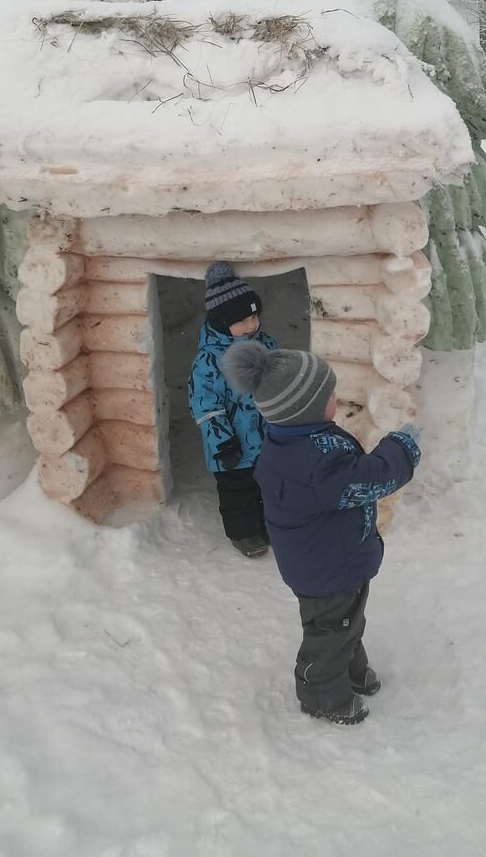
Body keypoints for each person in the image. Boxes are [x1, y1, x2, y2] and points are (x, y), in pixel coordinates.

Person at [222, 340, 420, 726]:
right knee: (331, 631)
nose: (336, 396)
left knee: (346, 621)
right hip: (328, 569)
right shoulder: (314, 463)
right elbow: (368, 479)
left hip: (331, 560)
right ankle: (321, 694)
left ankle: (350, 669)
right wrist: (402, 448)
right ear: (304, 409)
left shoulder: (294, 442)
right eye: (329, 394)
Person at [188, 262, 277, 558]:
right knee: (238, 492)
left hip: (266, 439)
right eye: (242, 320)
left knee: (268, 485)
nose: (251, 325)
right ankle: (243, 533)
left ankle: (267, 525)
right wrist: (222, 443)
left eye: (253, 316)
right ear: (222, 322)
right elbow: (206, 406)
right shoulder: (209, 361)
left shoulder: (266, 345)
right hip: (232, 443)